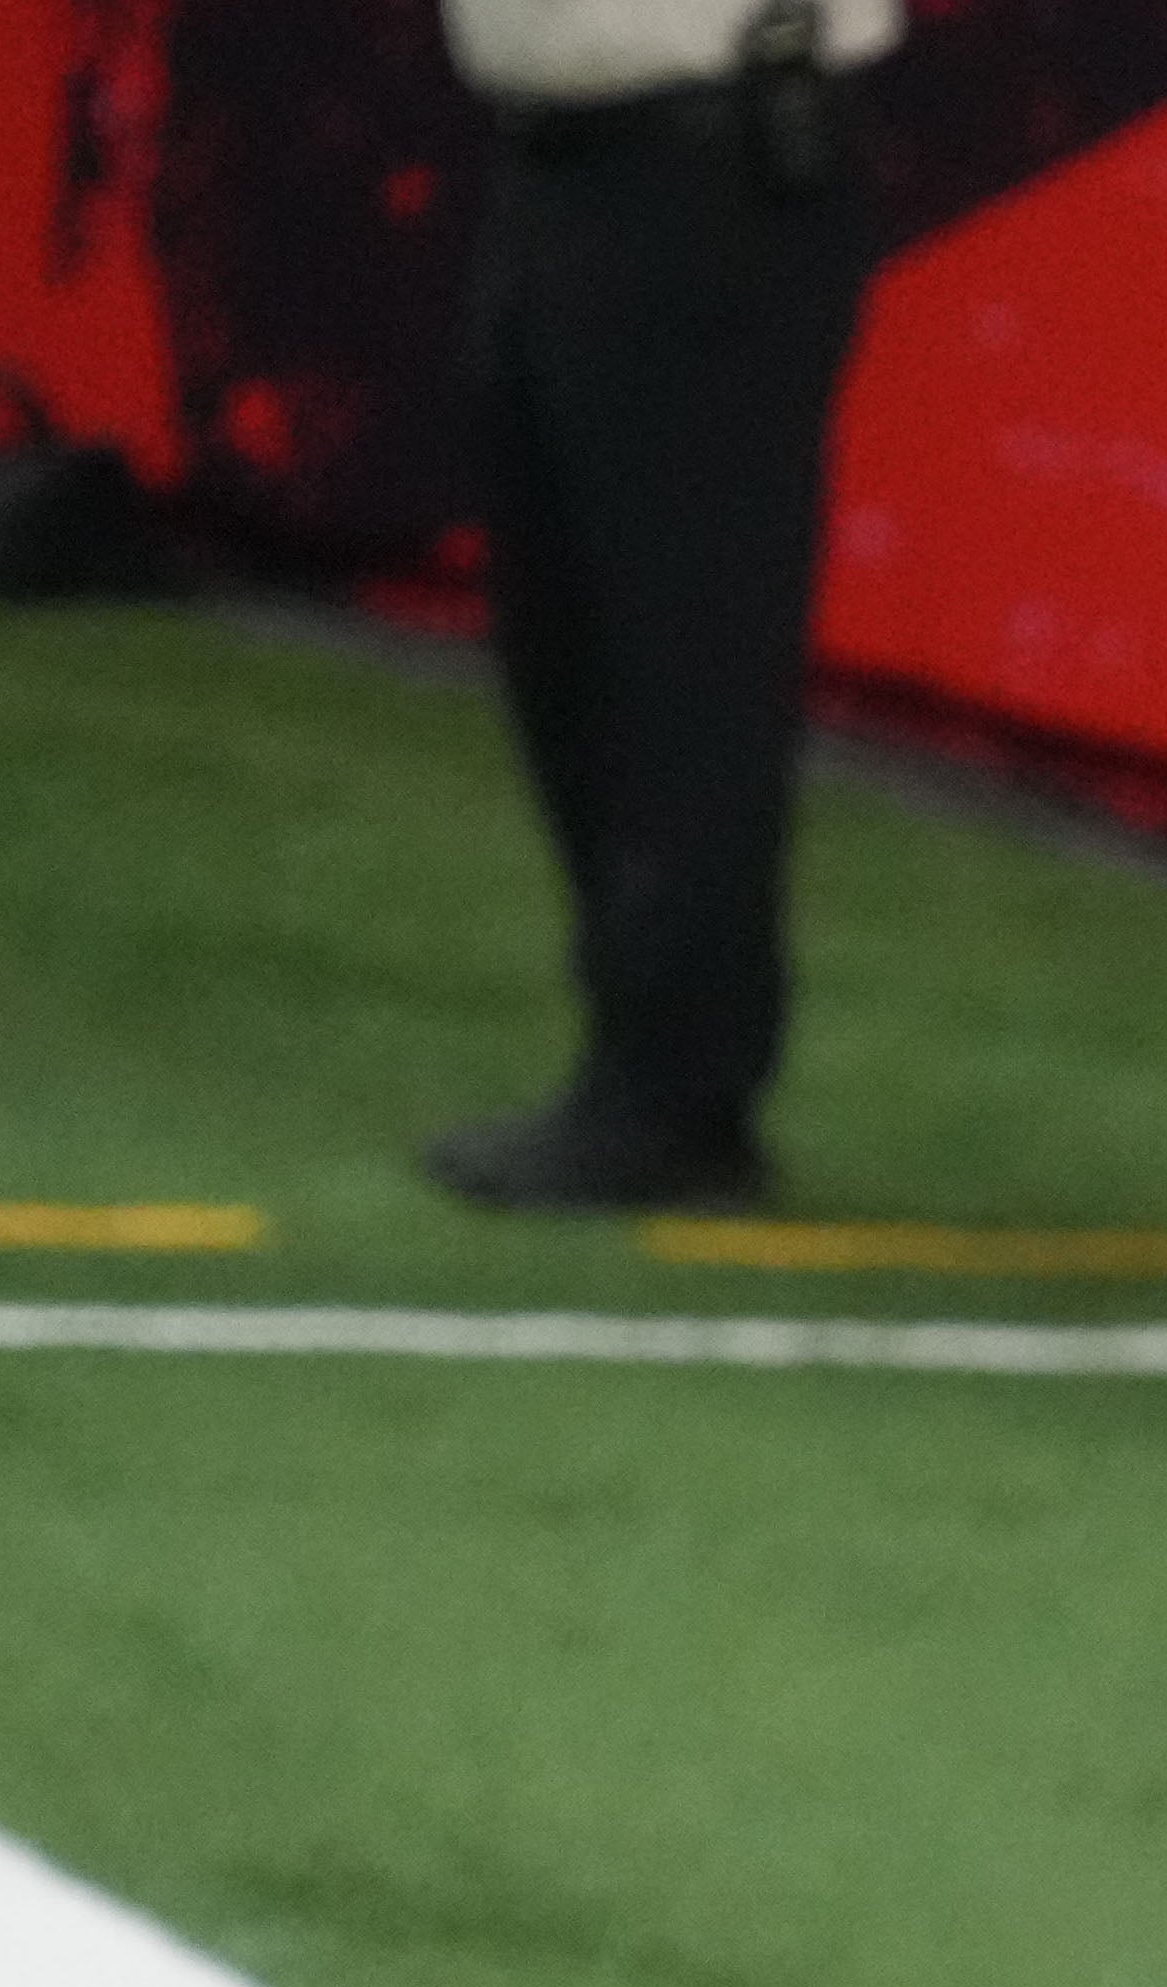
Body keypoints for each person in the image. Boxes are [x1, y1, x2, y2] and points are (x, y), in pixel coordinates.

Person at [418, 0, 898, 1214]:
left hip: (709, 148)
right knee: (567, 625)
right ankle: (643, 1052)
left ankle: (679, 1090)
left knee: (682, 647)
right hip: (573, 144)